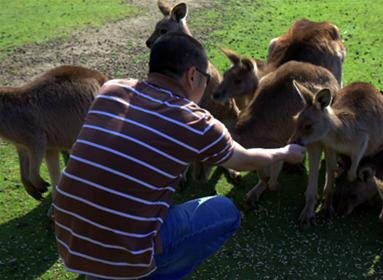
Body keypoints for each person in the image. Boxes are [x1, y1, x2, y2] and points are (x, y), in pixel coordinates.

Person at [53, 32, 305, 280]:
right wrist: (285, 152)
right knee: (225, 212)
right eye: (207, 78)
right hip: (123, 249)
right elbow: (245, 160)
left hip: (69, 235)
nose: (208, 85)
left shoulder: (112, 89)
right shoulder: (193, 120)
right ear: (192, 75)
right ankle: (142, 272)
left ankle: (102, 270)